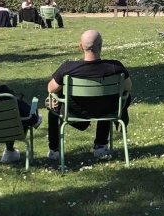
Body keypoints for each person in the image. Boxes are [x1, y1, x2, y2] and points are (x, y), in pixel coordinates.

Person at [46, 30, 132, 160]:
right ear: (101, 46)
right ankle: (101, 146)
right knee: (111, 100)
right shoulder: (115, 67)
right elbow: (128, 87)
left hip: (74, 111)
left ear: (80, 46)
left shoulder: (68, 68)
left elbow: (51, 88)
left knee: (51, 103)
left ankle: (55, 150)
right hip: (106, 111)